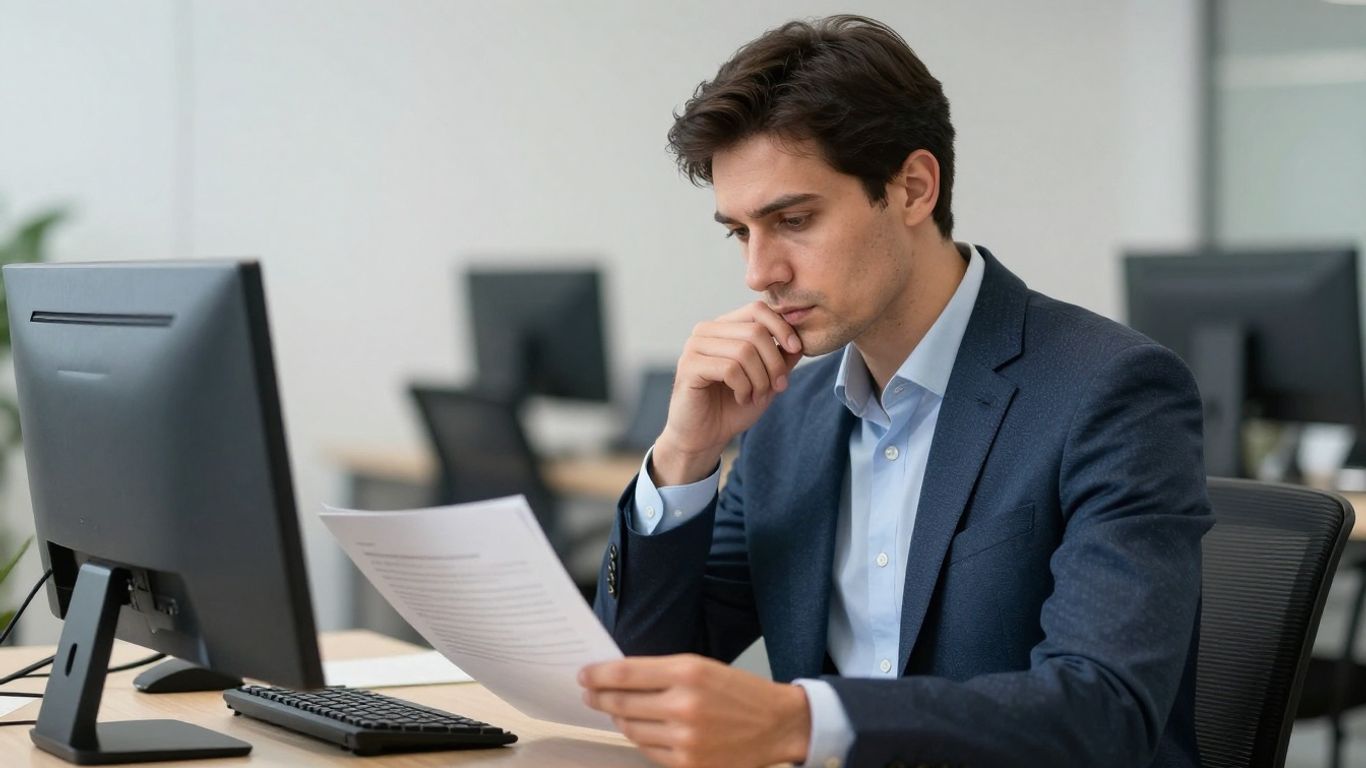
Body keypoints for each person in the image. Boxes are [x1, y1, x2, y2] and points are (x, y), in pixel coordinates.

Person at [577, 14, 1211, 768]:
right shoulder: (790, 417)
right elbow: (632, 678)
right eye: (739, 232)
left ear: (912, 187)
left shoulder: (1111, 391)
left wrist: (801, 723)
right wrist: (685, 453)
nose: (759, 272)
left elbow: (1103, 712)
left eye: (794, 219)